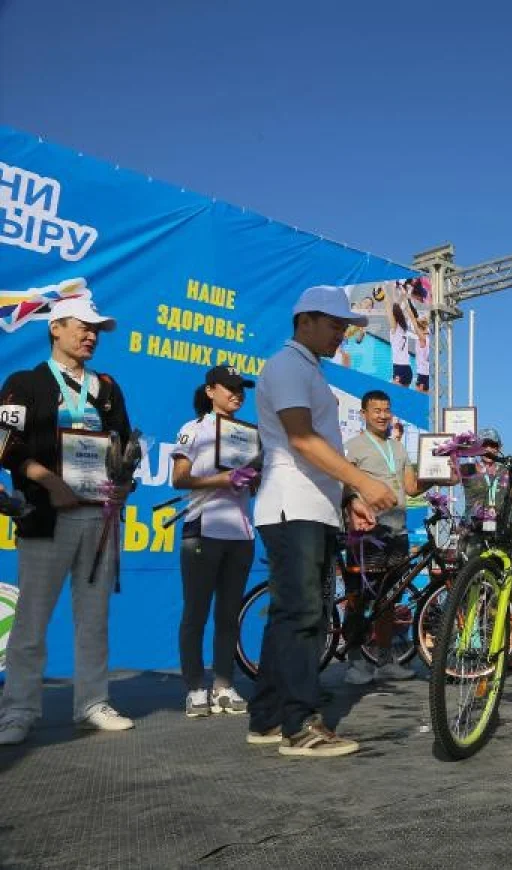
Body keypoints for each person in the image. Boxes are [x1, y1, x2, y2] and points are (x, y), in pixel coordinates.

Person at [247, 286, 398, 758]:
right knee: (304, 615)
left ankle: (269, 718)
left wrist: (348, 495)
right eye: (335, 325)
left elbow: (318, 449)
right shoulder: (288, 364)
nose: (342, 336)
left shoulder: (306, 368)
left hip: (313, 507)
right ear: (306, 320)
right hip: (292, 506)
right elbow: (302, 440)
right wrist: (365, 483)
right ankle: (301, 726)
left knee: (291, 615)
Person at [0, 297, 136, 745]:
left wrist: (123, 483)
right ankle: (18, 710)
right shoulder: (25, 382)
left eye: (97, 328)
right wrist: (47, 480)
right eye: (83, 326)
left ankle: (92, 703)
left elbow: (124, 450)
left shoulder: (108, 387)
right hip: (45, 517)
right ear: (56, 328)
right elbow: (4, 444)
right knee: (31, 621)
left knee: (94, 620)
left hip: (99, 518)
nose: (92, 334)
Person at [170, 366, 258, 718]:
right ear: (211, 391)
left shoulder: (248, 435)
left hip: (241, 533)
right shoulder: (194, 430)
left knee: (228, 615)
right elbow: (179, 478)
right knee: (195, 613)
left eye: (242, 389)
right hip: (202, 529)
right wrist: (220, 479)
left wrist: (253, 479)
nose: (237, 394)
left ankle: (224, 685)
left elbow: (252, 483)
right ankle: (194, 687)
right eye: (230, 388)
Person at [341, 389, 436, 685]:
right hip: (367, 533)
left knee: (388, 599)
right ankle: (355, 661)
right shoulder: (352, 447)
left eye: (386, 410)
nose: (383, 415)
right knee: (359, 598)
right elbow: (345, 487)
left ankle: (384, 660)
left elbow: (409, 487)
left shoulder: (399, 448)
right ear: (364, 414)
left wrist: (437, 476)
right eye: (376, 410)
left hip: (398, 532)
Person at [461, 428, 512, 528]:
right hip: (471, 531)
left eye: (493, 445)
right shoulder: (468, 468)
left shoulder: (506, 471)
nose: (488, 449)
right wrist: (452, 460)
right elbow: (451, 479)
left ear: (499, 448)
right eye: (484, 445)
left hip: (501, 531)